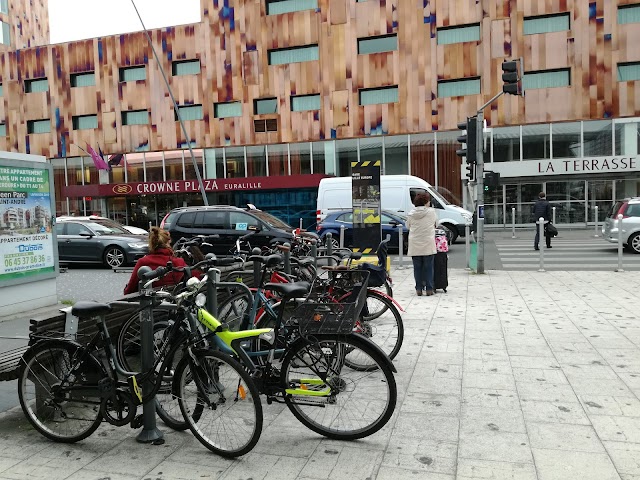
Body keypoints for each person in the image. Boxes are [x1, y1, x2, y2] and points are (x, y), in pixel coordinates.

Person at [123, 227, 188, 295]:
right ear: (168, 243)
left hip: (150, 302)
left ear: (151, 244)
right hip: (173, 301)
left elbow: (129, 290)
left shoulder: (143, 262)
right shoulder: (179, 262)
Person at [406, 193, 438, 296]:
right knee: (429, 267)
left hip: (415, 243)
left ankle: (419, 289)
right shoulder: (431, 212)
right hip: (428, 242)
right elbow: (436, 223)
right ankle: (429, 289)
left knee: (417, 267)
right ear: (425, 202)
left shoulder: (411, 214)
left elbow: (408, 226)